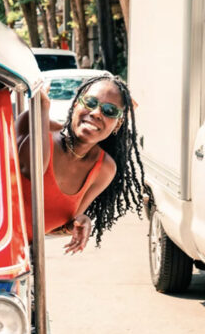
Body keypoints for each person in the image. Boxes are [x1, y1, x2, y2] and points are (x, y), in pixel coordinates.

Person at [16, 75, 145, 253]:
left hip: (19, 259)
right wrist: (43, 108)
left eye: (110, 111)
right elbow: (33, 169)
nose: (97, 113)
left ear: (117, 125)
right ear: (76, 104)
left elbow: (61, 226)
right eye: (90, 102)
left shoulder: (103, 169)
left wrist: (80, 222)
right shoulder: (37, 124)